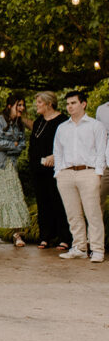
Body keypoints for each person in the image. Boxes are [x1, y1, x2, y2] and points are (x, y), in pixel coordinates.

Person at [54, 90, 106, 263]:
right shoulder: (62, 128)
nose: (70, 106)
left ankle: (97, 249)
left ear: (83, 104)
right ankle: (79, 247)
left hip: (88, 172)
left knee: (93, 213)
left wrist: (98, 172)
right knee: (73, 214)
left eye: (73, 103)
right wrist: (59, 172)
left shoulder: (95, 126)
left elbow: (101, 151)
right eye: (68, 104)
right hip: (67, 173)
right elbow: (58, 152)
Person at [0, 94, 30, 247]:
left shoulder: (19, 124)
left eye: (23, 105)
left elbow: (22, 145)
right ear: (10, 106)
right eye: (19, 105)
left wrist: (14, 145)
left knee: (14, 196)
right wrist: (13, 145)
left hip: (10, 164)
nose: (21, 108)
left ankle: (17, 234)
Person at [30, 92, 70, 251]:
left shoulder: (63, 121)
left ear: (48, 103)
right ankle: (45, 236)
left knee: (59, 202)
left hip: (56, 168)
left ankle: (65, 237)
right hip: (39, 169)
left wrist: (55, 156)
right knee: (43, 203)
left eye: (39, 102)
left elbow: (68, 144)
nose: (37, 105)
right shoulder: (38, 122)